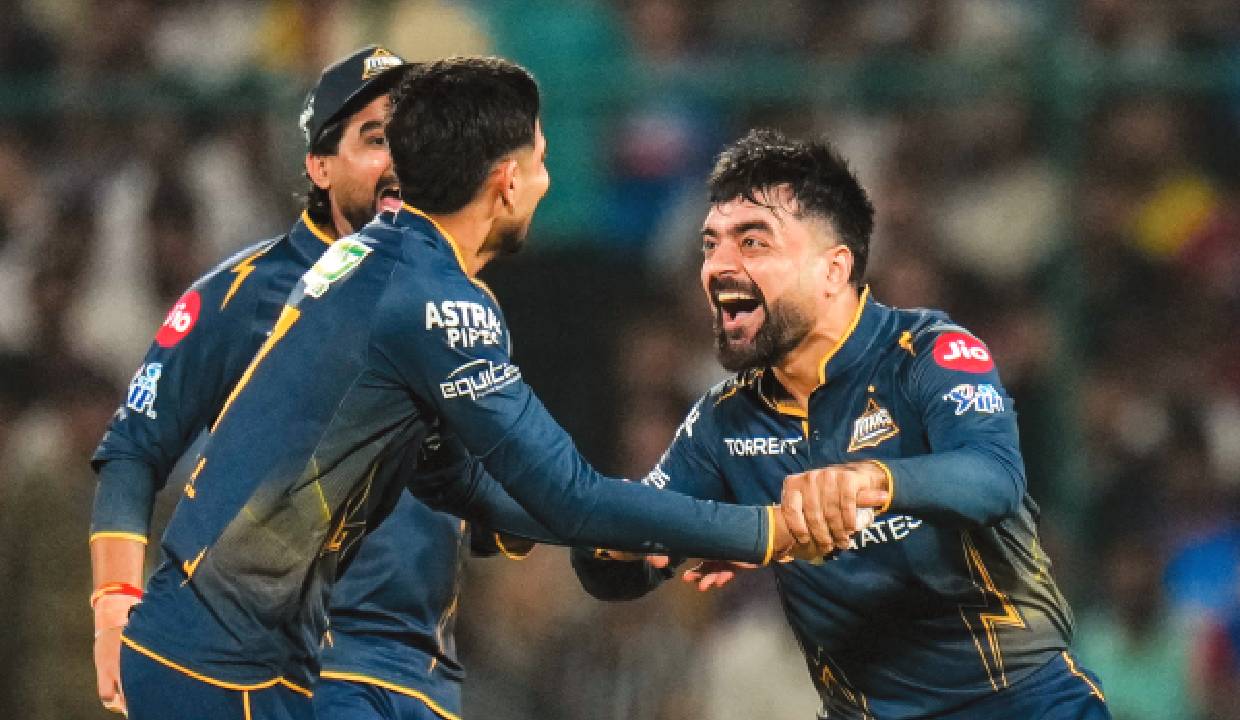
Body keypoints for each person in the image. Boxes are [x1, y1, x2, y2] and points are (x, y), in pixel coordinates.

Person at [113, 57, 811, 720]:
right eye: (541, 160)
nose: (547, 182)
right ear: (505, 180)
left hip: (204, 649)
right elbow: (569, 495)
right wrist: (767, 529)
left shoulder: (372, 257)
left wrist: (626, 528)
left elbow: (456, 482)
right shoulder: (439, 302)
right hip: (230, 667)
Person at [572, 129, 1110, 719]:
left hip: (1021, 704)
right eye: (711, 245)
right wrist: (611, 544)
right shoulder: (721, 423)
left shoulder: (928, 353)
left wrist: (871, 481)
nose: (718, 267)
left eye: (752, 243)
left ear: (833, 269)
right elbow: (623, 570)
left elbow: (993, 479)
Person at [90, 46, 530, 720]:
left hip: (418, 677)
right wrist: (113, 602)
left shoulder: (462, 306)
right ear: (319, 166)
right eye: (377, 140)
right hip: (289, 671)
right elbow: (133, 448)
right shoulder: (242, 295)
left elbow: (489, 501)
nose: (401, 160)